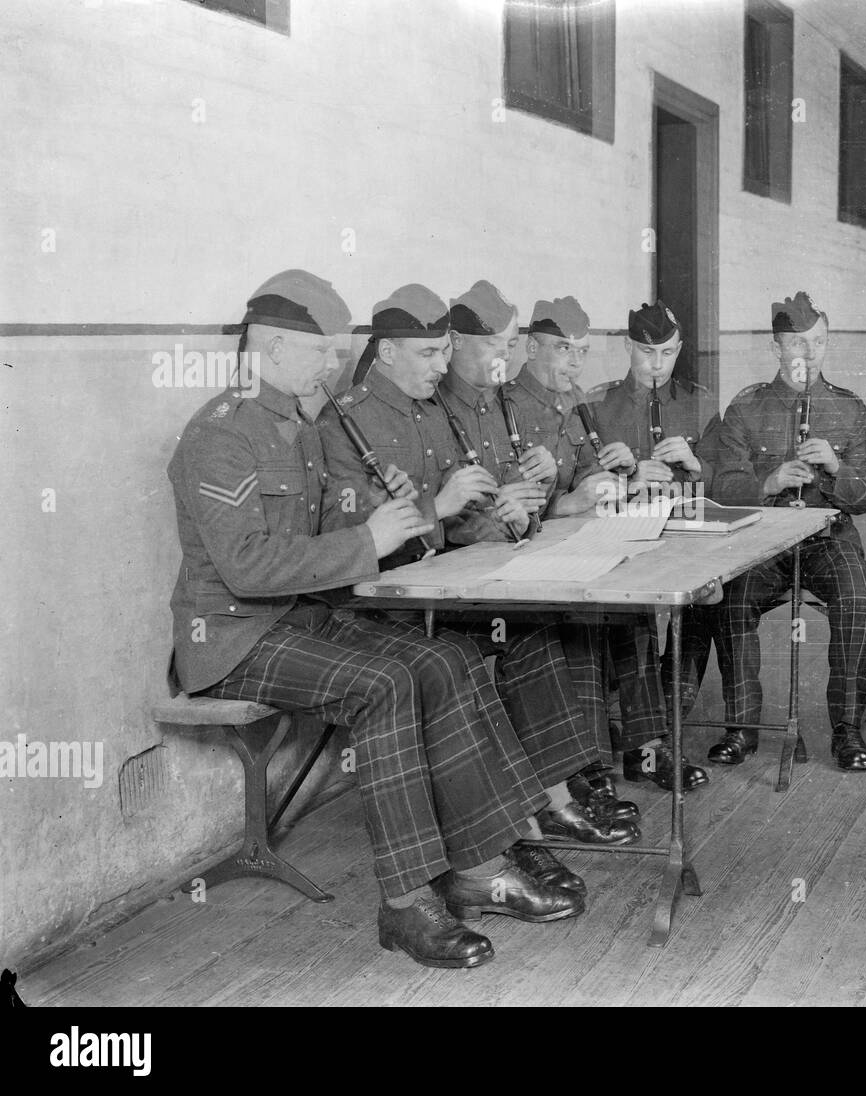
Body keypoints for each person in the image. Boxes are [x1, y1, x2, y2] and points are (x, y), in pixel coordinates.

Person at [167, 270, 582, 971]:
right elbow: (246, 568)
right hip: (233, 636)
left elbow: (328, 528)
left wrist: (401, 510)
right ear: (270, 348)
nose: (334, 364)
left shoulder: (298, 425)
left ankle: (480, 864)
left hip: (297, 621)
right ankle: (408, 903)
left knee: (444, 656)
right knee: (387, 682)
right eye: (321, 351)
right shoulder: (223, 435)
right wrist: (369, 539)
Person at [318, 282, 638, 846]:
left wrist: (514, 517)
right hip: (383, 600)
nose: (442, 367)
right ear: (387, 352)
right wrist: (437, 509)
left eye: (445, 352)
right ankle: (541, 807)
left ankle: (557, 792)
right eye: (429, 353)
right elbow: (352, 534)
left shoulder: (433, 412)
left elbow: (471, 508)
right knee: (503, 637)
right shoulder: (348, 421)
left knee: (534, 626)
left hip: (441, 583)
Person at [708, 292, 866, 771]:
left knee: (857, 600)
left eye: (819, 342)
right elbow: (723, 486)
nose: (809, 354)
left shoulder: (849, 408)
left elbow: (864, 497)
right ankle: (742, 726)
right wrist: (769, 481)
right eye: (797, 344)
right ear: (776, 348)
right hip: (764, 536)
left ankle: (847, 729)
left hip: (828, 537)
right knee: (732, 600)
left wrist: (837, 468)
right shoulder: (745, 408)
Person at [583, 299, 715, 789]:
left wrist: (695, 471)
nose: (656, 364)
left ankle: (659, 725)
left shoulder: (699, 401)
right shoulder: (595, 404)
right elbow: (582, 487)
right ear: (627, 347)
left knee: (707, 598)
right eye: (645, 352)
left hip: (682, 530)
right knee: (635, 610)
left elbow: (721, 491)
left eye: (665, 352)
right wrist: (628, 477)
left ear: (678, 350)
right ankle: (649, 746)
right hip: (618, 533)